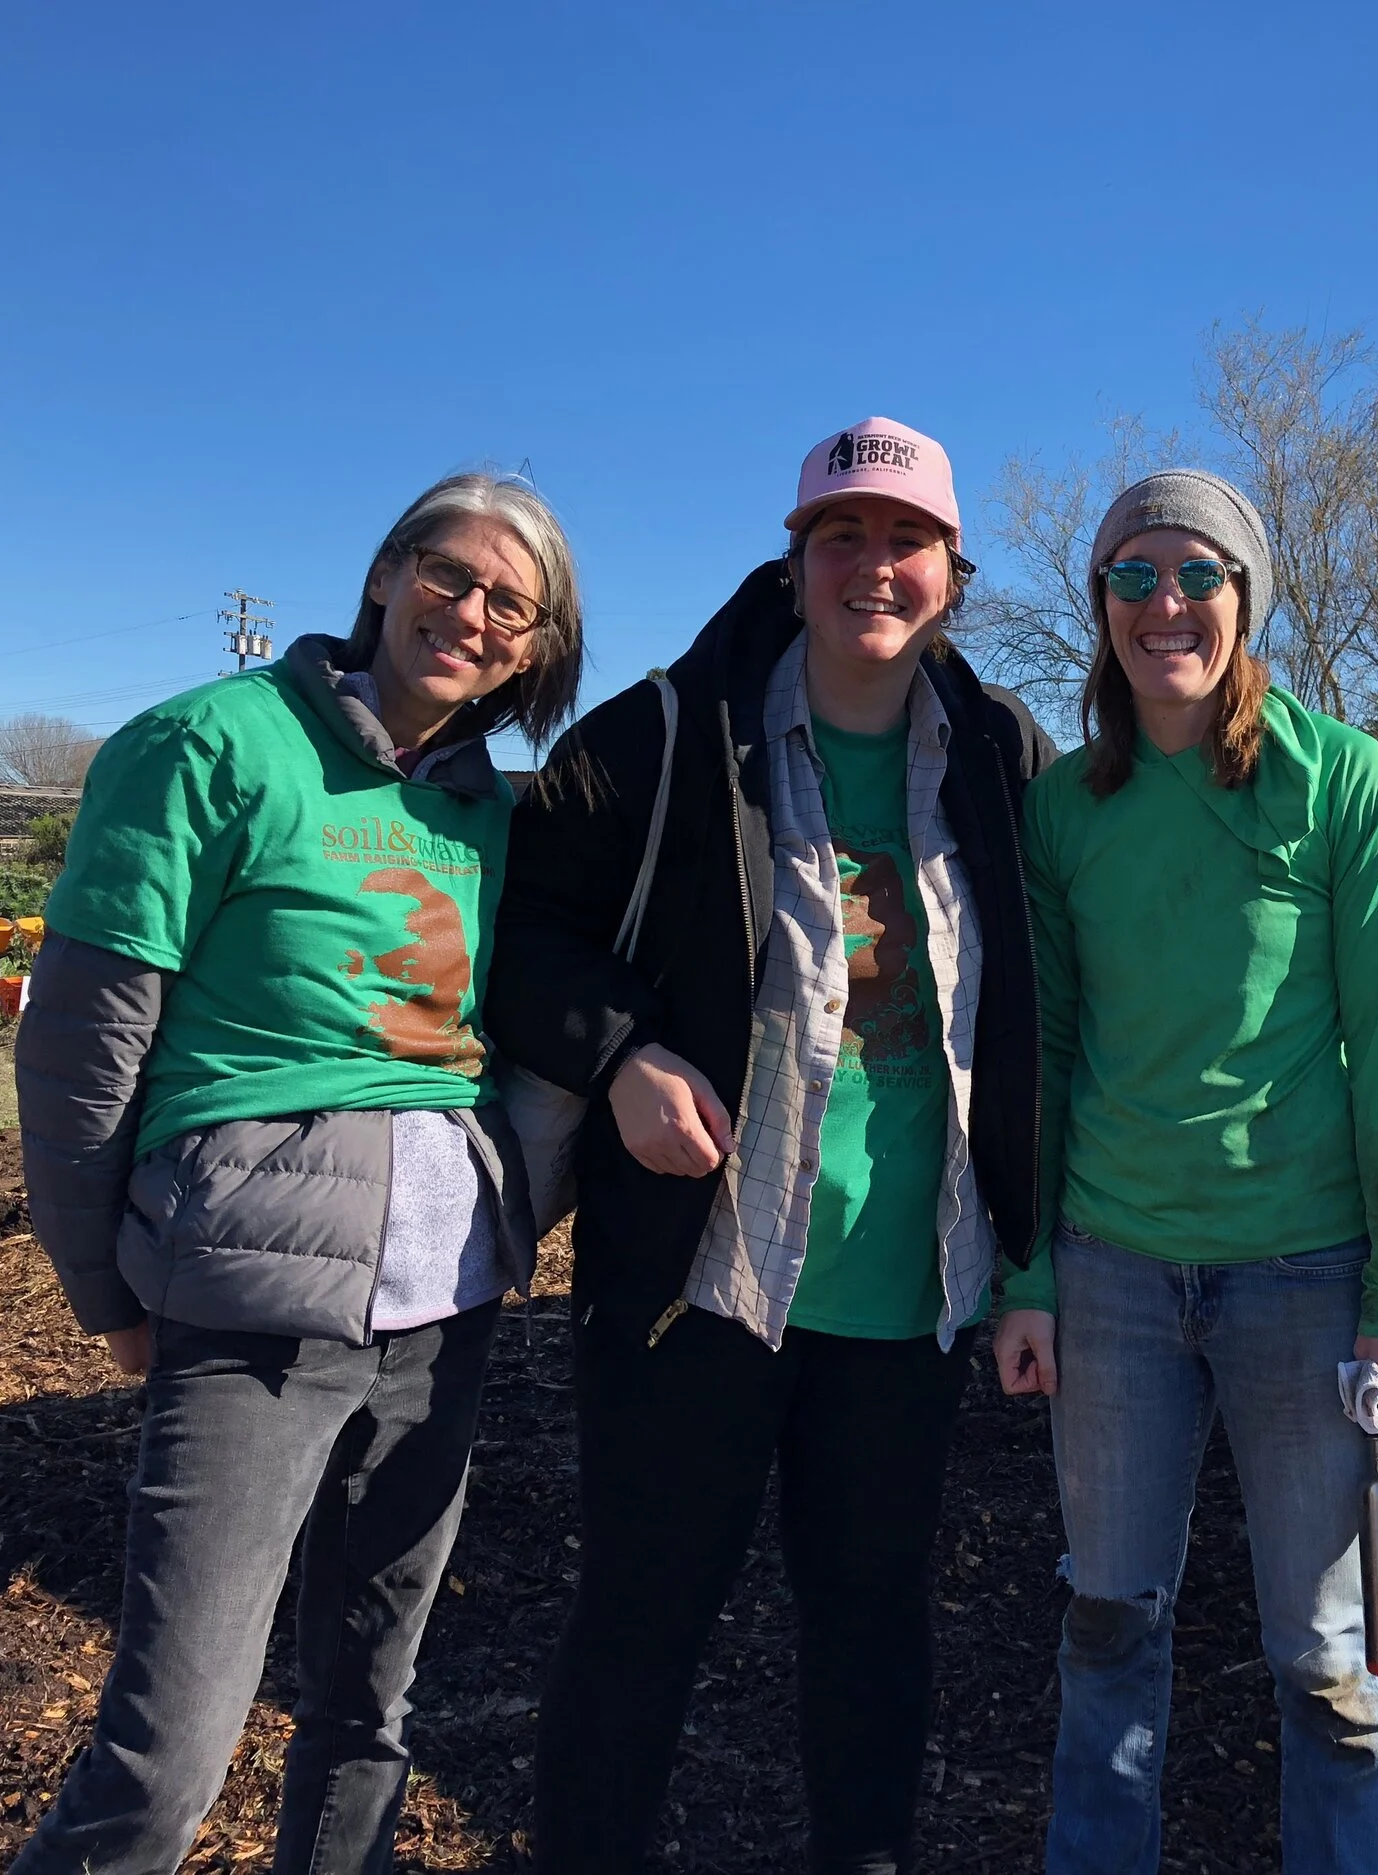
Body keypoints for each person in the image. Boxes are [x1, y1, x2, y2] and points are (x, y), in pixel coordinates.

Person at [483, 417, 1054, 1874]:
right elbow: (520, 934)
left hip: (905, 1294)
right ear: (793, 562)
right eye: (842, 538)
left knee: (874, 1632)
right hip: (699, 1282)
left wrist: (1034, 1253)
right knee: (640, 1625)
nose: (875, 566)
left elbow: (1062, 993)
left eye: (907, 541)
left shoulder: (1000, 756)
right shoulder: (664, 738)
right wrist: (618, 1051)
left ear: (954, 575)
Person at [10, 472, 582, 1875]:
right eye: (451, 573)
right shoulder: (208, 745)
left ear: (533, 648)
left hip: (446, 1303)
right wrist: (101, 1281)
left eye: (513, 603)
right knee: (168, 1754)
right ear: (385, 573)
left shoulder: (486, 813)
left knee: (368, 1712)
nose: (472, 612)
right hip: (254, 1294)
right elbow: (83, 1043)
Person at [993, 469, 1378, 1875]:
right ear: (1101, 607)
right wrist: (1028, 1273)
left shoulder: (1343, 781)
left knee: (1329, 1658)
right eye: (1133, 576)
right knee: (1109, 1623)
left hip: (1306, 1277)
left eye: (1196, 573)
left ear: (1247, 598)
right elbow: (1046, 1046)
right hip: (1114, 1267)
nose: (1165, 604)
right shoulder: (1066, 806)